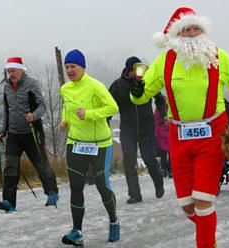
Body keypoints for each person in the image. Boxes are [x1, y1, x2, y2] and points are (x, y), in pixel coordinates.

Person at [130, 7, 229, 248]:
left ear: (204, 30)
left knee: (203, 201)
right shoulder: (164, 61)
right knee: (187, 205)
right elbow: (142, 95)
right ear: (176, 35)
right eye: (185, 29)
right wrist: (136, 93)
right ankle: (209, 239)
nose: (191, 33)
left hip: (212, 137)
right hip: (179, 139)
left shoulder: (218, 56)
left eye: (195, 27)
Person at [59, 49, 120, 246]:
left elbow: (112, 108)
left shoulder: (95, 86)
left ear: (82, 67)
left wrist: (91, 114)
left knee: (102, 186)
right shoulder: (65, 89)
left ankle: (114, 221)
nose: (69, 70)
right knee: (76, 187)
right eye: (67, 67)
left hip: (99, 145)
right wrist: (64, 122)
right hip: (75, 143)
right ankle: (77, 231)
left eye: (73, 66)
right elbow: (67, 108)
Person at [0, 57, 59, 212]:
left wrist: (34, 115)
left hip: (33, 132)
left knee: (41, 164)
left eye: (13, 71)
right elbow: (7, 110)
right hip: (14, 135)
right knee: (10, 168)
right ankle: (9, 202)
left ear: (21, 70)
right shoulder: (6, 87)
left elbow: (42, 105)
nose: (11, 74)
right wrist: (3, 131)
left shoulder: (32, 84)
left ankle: (52, 192)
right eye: (8, 71)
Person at [109, 56, 166, 204]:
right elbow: (109, 105)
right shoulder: (117, 85)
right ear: (129, 70)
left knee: (149, 158)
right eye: (136, 68)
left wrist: (162, 116)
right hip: (128, 130)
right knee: (129, 161)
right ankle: (135, 194)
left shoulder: (146, 82)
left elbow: (160, 99)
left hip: (147, 127)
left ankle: (158, 182)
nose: (140, 70)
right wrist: (106, 122)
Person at [154, 96, 172, 178]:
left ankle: (164, 170)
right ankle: (171, 170)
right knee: (171, 153)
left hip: (162, 133)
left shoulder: (159, 109)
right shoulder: (172, 106)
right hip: (170, 132)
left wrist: (156, 135)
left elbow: (156, 122)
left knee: (163, 153)